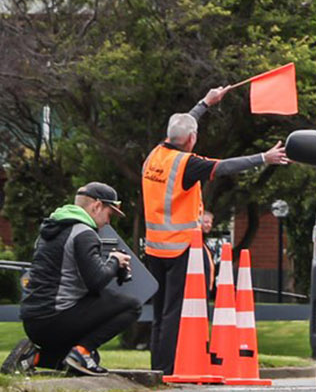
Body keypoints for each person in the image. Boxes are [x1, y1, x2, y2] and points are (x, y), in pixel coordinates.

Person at [141, 86, 291, 372]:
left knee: (159, 311)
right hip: (180, 247)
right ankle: (168, 368)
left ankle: (157, 366)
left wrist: (205, 103)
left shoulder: (155, 155)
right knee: (174, 311)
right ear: (192, 140)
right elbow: (224, 167)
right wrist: (264, 157)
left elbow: (184, 124)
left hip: (153, 247)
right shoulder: (187, 163)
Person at [20, 185, 142, 375]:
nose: (108, 222)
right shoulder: (83, 232)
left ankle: (33, 358)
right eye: (109, 214)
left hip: (33, 320)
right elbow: (96, 282)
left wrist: (111, 267)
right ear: (97, 206)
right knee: (131, 306)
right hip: (56, 318)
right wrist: (114, 261)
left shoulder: (52, 229)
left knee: (89, 360)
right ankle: (81, 353)